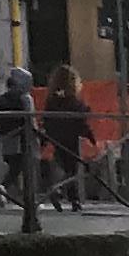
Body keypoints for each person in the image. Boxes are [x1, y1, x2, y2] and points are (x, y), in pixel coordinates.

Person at [41, 64, 90, 212]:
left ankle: (59, 190)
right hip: (71, 136)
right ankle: (72, 197)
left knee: (61, 164)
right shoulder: (72, 99)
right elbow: (80, 116)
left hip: (56, 136)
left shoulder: (52, 99)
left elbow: (47, 118)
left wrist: (47, 136)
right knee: (72, 168)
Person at [0, 65, 34, 204]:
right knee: (24, 170)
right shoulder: (25, 98)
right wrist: (38, 138)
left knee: (15, 169)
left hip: (6, 141)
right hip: (22, 141)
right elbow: (30, 119)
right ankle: (28, 201)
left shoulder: (3, 98)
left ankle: (11, 195)